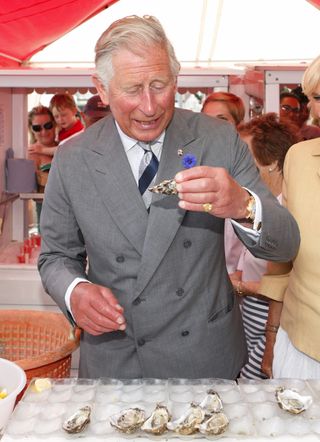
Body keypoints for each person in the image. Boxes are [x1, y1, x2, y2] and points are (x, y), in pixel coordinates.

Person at [38, 15, 300, 380]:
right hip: (118, 357)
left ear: (176, 79)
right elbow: (55, 256)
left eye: (160, 85)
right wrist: (74, 291)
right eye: (132, 89)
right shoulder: (73, 158)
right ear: (101, 88)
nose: (150, 106)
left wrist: (244, 204)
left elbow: (285, 244)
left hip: (204, 357)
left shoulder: (217, 140)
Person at [260, 54, 320, 379]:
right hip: (299, 348)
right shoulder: (299, 157)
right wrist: (271, 340)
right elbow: (283, 261)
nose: (313, 111)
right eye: (310, 99)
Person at [231, 113, 300, 379]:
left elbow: (291, 282)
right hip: (250, 317)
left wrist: (237, 285)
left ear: (270, 162)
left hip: (271, 321)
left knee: (254, 390)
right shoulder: (256, 205)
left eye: (243, 156)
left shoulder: (288, 209)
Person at [201, 92, 246, 276]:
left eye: (221, 119)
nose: (211, 126)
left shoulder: (247, 170)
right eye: (205, 119)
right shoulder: (190, 167)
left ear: (237, 125)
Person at [27, 105, 58, 227]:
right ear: (31, 129)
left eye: (48, 125)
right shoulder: (31, 155)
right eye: (37, 128)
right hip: (46, 214)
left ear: (54, 124)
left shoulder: (64, 147)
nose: (44, 132)